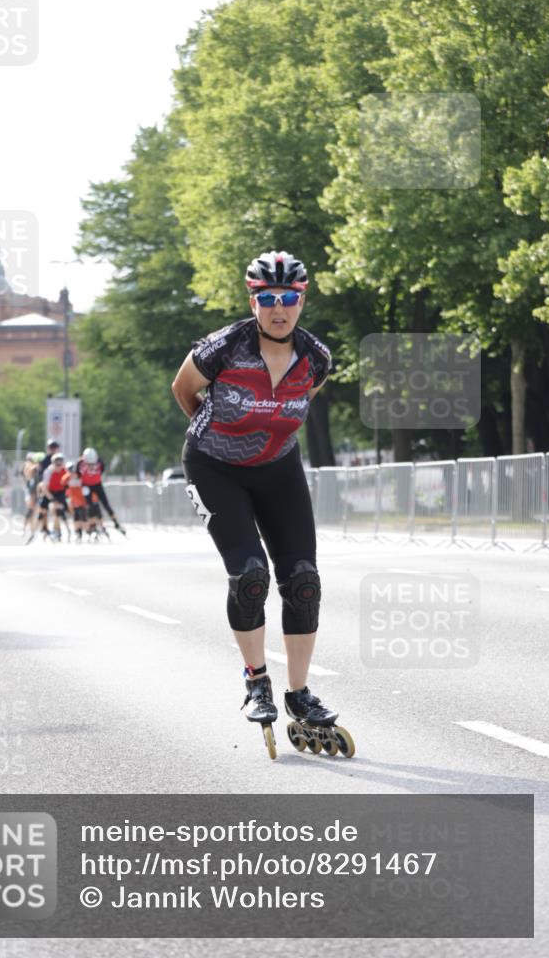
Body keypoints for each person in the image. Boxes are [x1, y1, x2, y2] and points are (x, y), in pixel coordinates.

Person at [172, 250, 347, 756]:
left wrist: (264, 440)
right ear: (253, 300)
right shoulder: (222, 348)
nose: (278, 308)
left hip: (278, 469)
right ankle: (256, 681)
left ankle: (298, 693)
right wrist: (222, 435)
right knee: (250, 574)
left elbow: (298, 407)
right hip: (214, 466)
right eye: (267, 298)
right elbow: (185, 392)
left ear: (301, 300)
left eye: (288, 298)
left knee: (304, 580)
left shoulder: (316, 359)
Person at [76, 447, 126, 538]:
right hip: (86, 485)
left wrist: (93, 478)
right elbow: (78, 474)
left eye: (93, 464)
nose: (91, 465)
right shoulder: (80, 463)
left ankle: (116, 523)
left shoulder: (100, 462)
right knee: (90, 505)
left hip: (97, 484)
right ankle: (92, 525)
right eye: (89, 464)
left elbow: (102, 470)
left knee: (106, 504)